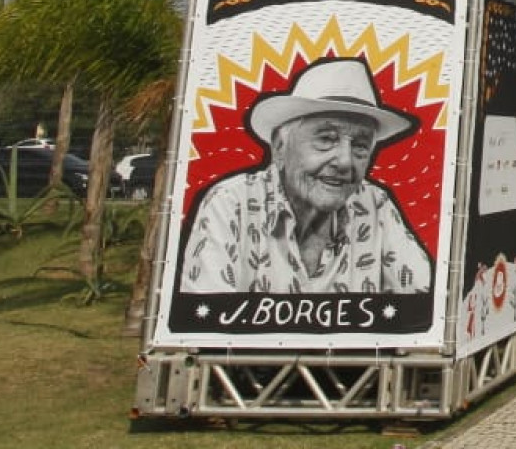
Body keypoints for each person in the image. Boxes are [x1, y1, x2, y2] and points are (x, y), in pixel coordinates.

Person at [179, 57, 431, 294]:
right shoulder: (231, 203)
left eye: (360, 145)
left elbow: (424, 303)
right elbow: (206, 321)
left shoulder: (376, 205)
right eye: (326, 139)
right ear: (279, 147)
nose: (345, 161)